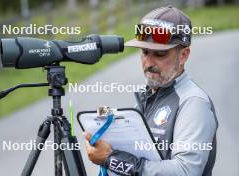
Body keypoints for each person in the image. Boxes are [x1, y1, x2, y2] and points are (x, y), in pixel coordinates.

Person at [84, 5, 218, 176]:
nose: (148, 63)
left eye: (159, 55)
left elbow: (186, 171)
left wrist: (111, 159)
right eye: (145, 52)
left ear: (183, 55)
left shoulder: (193, 102)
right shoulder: (149, 95)